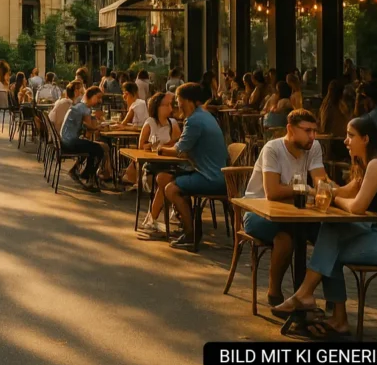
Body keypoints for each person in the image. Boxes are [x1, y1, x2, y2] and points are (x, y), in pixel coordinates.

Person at [273, 116, 377, 336]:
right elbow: (343, 192)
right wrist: (322, 192)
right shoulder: (366, 165)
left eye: (351, 136)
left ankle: (312, 301)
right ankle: (320, 306)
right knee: (331, 232)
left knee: (331, 250)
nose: (346, 141)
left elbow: (356, 207)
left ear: (366, 139)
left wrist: (331, 198)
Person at [242, 109, 328, 308]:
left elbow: (321, 181)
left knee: (328, 235)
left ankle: (331, 303)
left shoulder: (313, 147)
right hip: (258, 212)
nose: (312, 136)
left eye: (314, 131)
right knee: (285, 238)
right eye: (307, 131)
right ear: (290, 129)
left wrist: (332, 190)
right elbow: (271, 192)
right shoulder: (273, 148)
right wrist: (305, 189)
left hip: (295, 213)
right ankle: (275, 293)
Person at [151, 83, 229, 249]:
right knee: (164, 178)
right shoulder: (206, 115)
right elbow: (187, 148)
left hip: (211, 178)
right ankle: (187, 221)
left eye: (178, 100)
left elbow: (179, 150)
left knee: (171, 189)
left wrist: (160, 149)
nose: (177, 104)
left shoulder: (194, 120)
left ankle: (190, 233)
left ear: (188, 101)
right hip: (217, 174)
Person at [125, 92, 182, 198]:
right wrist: (148, 146)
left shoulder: (173, 123)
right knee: (161, 180)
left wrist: (165, 146)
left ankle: (158, 210)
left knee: (171, 178)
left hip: (169, 163)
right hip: (153, 165)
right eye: (166, 105)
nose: (170, 107)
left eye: (170, 104)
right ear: (158, 107)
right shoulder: (150, 122)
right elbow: (141, 146)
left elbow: (178, 143)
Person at [59, 86, 105, 193]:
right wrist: (99, 126)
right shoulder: (85, 108)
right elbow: (90, 127)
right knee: (98, 149)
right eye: (98, 98)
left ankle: (78, 171)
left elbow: (85, 126)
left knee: (91, 146)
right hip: (70, 142)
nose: (100, 101)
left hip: (64, 140)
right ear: (90, 96)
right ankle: (87, 177)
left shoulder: (79, 106)